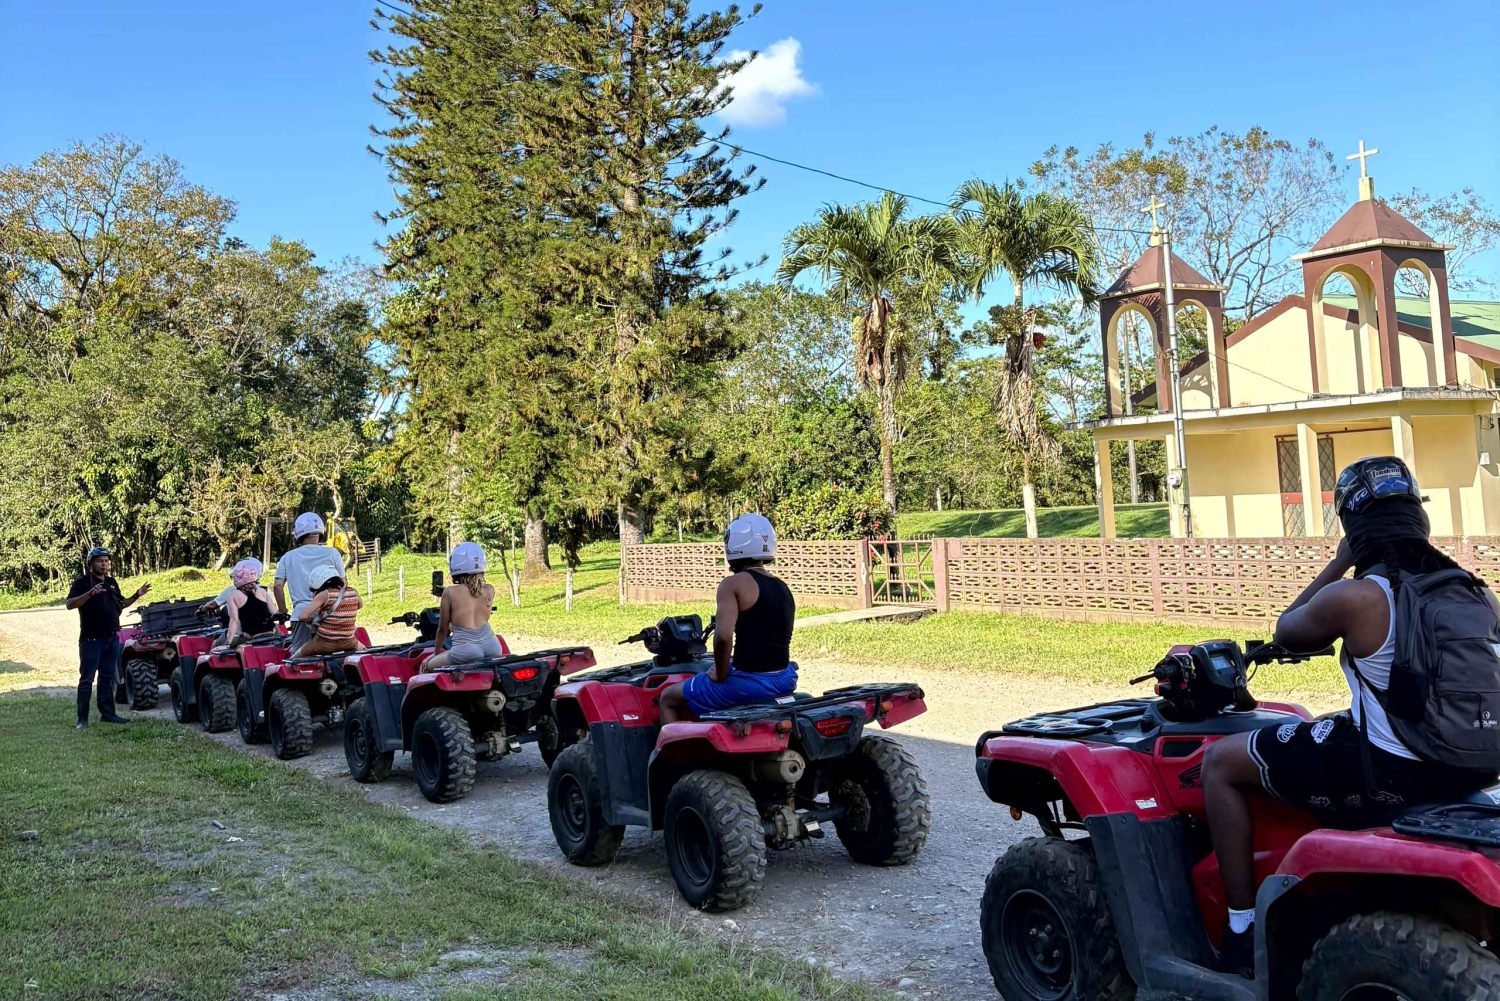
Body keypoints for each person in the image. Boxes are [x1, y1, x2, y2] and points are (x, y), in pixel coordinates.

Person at [1201, 456, 1497, 978]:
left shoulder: (1357, 597)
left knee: (1221, 764)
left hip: (1393, 767)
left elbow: (1287, 629)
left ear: (1355, 527)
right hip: (1473, 765)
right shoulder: (1476, 592)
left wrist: (1337, 562)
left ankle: (1241, 929)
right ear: (1417, 520)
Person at [658, 514, 797, 724]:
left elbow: (723, 636)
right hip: (783, 679)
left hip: (749, 683)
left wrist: (721, 672)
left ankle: (669, 756)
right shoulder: (782, 586)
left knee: (668, 698)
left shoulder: (732, 584)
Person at [65, 546, 150, 728]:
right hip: (91, 641)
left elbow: (122, 603)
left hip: (112, 639)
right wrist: (90, 593)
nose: (104, 564)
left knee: (107, 677)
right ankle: (82, 720)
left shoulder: (111, 582)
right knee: (87, 679)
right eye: (99, 561)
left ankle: (108, 714)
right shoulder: (82, 582)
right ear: (91, 563)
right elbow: (70, 604)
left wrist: (137, 595)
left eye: (106, 561)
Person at [273, 513, 346, 653]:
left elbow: (277, 586)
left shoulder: (288, 557)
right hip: (331, 613)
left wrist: (282, 610)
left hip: (302, 613)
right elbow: (343, 584)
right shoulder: (333, 553)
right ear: (321, 531)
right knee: (337, 653)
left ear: (298, 534)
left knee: (300, 656)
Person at [424, 542, 503, 669]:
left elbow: (443, 628)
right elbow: (472, 596)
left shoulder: (449, 592)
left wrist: (435, 653)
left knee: (427, 666)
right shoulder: (489, 590)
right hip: (493, 646)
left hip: (466, 650)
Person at [290, 564, 365, 659]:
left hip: (323, 643)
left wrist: (311, 620)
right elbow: (360, 605)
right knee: (366, 652)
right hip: (349, 641)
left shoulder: (325, 594)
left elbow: (302, 616)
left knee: (293, 659)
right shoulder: (353, 592)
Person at [222, 558, 277, 648]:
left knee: (216, 648)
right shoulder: (262, 591)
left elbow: (234, 621)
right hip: (272, 634)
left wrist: (228, 643)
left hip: (252, 637)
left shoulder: (233, 596)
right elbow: (275, 613)